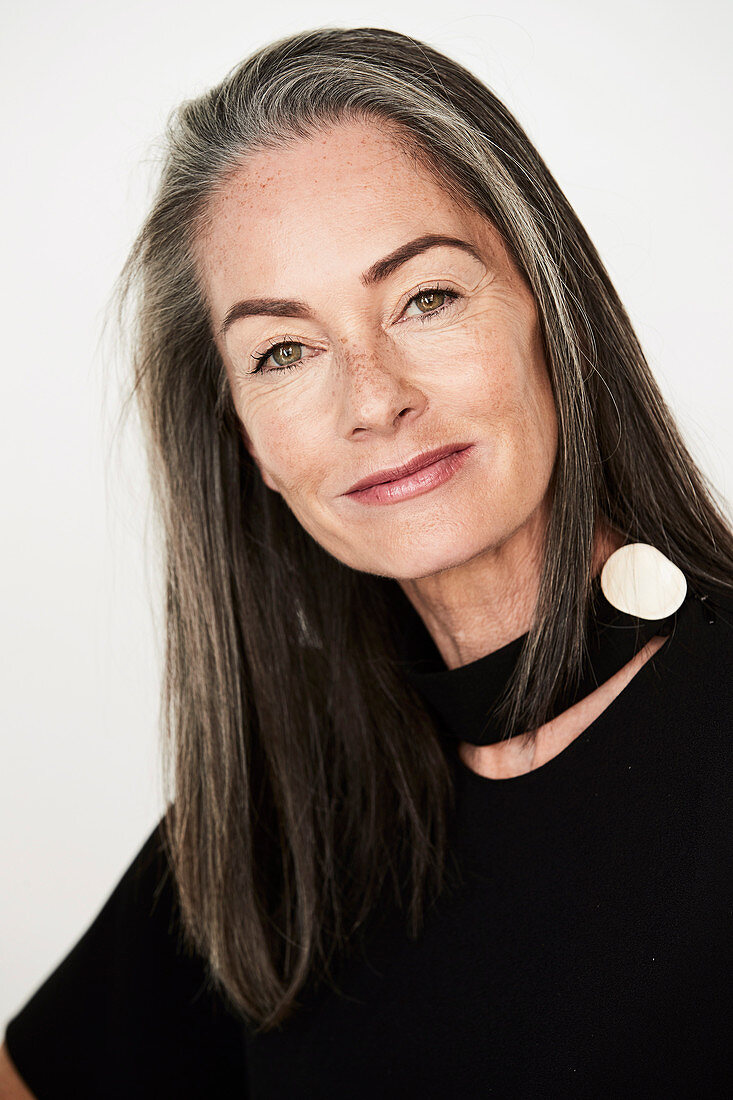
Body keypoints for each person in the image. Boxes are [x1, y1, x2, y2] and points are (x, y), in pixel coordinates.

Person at [2, 24, 731, 1099]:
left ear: (548, 307)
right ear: (245, 437)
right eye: (283, 351)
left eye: (424, 297)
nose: (374, 397)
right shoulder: (285, 816)